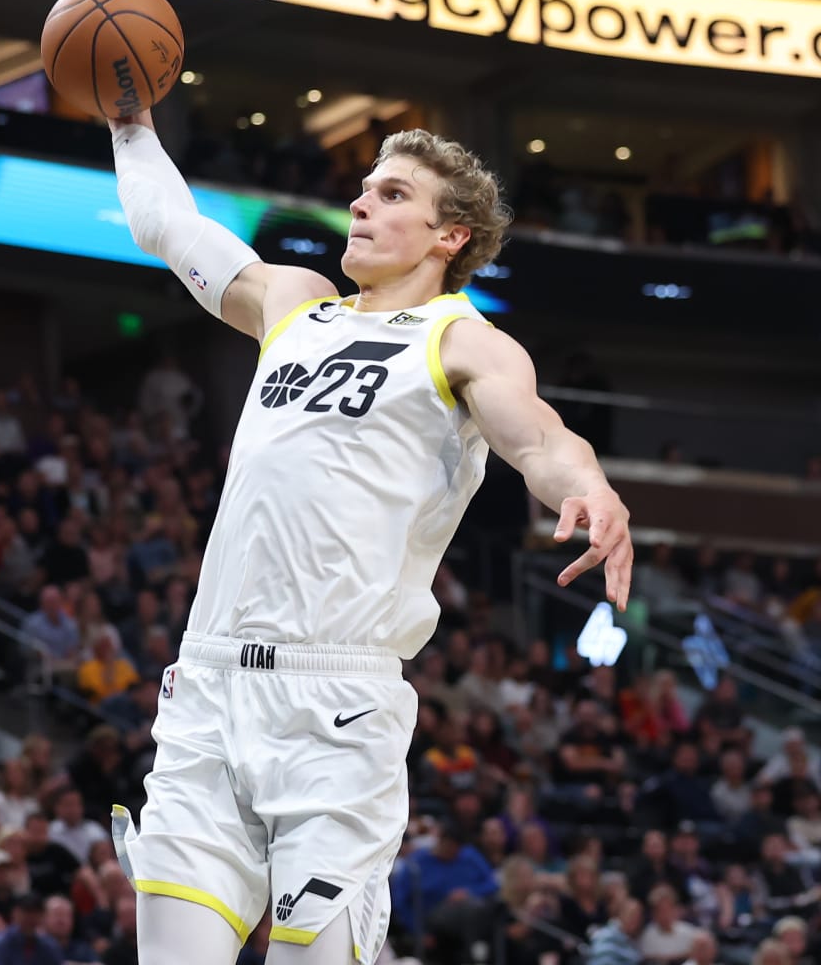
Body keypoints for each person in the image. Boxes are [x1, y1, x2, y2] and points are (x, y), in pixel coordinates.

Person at [105, 112, 633, 964]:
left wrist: (592, 489)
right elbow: (168, 226)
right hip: (206, 687)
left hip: (336, 707)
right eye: (363, 189)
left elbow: (539, 439)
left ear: (449, 235)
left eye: (391, 194)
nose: (360, 203)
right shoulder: (293, 303)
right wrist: (129, 126)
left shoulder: (464, 342)